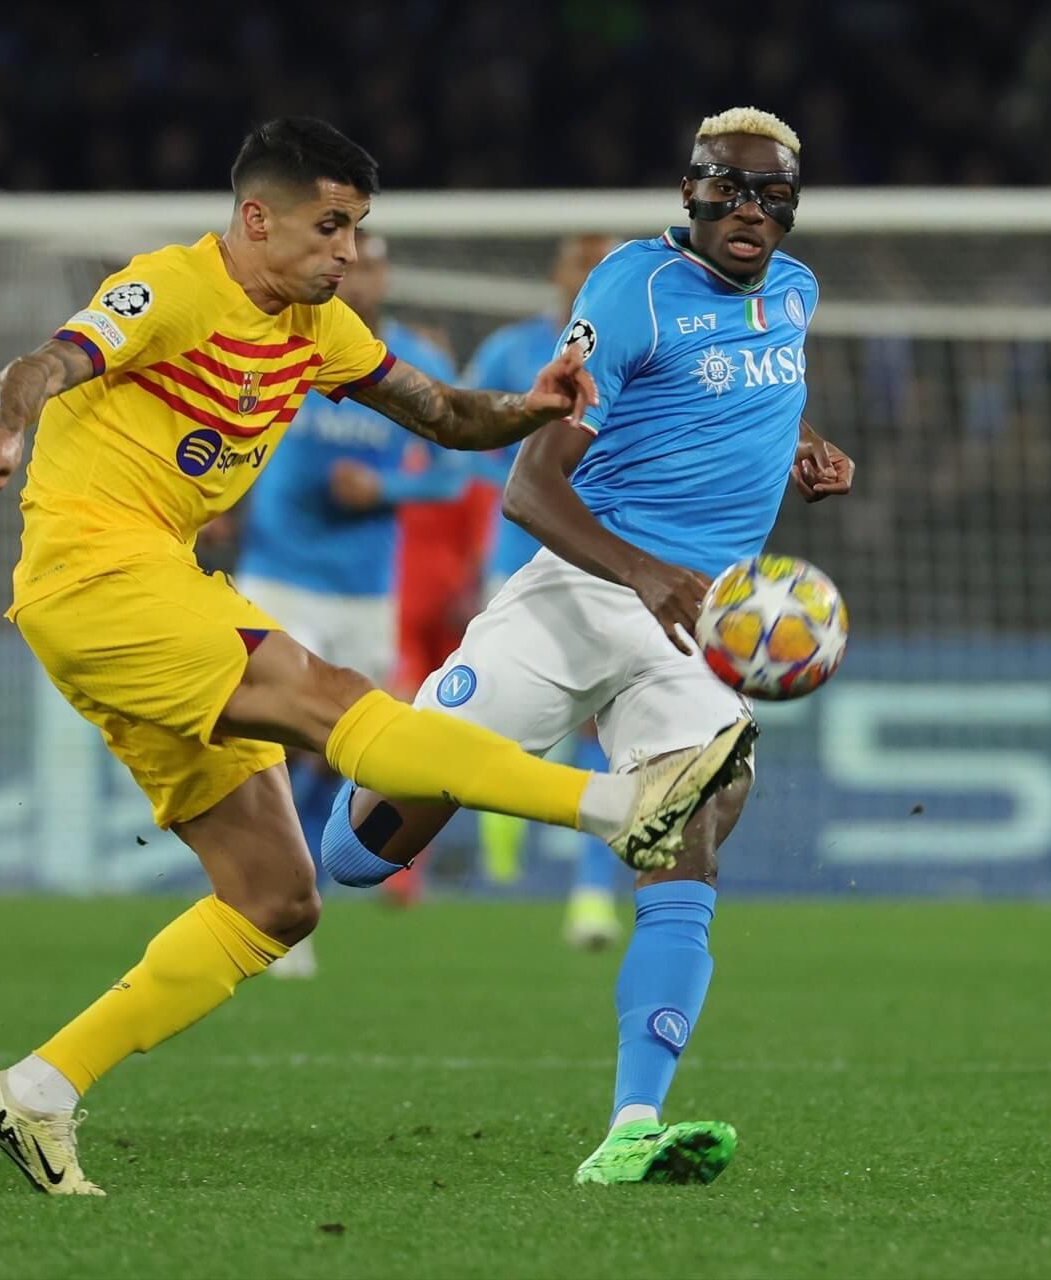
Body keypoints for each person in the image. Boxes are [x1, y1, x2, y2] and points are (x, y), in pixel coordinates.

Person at [0, 116, 758, 1196]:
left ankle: (39, 1088)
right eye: (329, 227)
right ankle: (616, 804)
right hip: (100, 576)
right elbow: (46, 362)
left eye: (356, 228)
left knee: (277, 896)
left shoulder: (316, 327)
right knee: (335, 701)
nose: (347, 253)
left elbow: (443, 412)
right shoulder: (169, 288)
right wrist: (6, 422)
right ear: (256, 218)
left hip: (144, 592)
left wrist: (533, 406)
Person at [318, 107, 857, 1187]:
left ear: (792, 207)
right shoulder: (631, 289)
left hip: (694, 629)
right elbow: (529, 485)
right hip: (579, 590)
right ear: (690, 192)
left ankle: (632, 1125)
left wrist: (796, 441)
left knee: (695, 826)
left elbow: (735, 389)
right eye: (728, 188)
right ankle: (516, 792)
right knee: (357, 848)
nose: (749, 211)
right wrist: (644, 571)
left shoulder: (794, 296)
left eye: (771, 195)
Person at [234, 229, 468, 978]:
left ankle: (290, 885)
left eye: (372, 263)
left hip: (367, 591)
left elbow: (451, 476)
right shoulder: (284, 340)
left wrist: (386, 490)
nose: (358, 272)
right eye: (349, 259)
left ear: (385, 276)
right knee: (288, 733)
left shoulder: (418, 365)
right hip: (279, 572)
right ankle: (273, 902)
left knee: (344, 756)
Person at [460, 234, 628, 948]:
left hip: (602, 560)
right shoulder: (512, 347)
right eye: (578, 261)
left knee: (602, 725)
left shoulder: (634, 346)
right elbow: (466, 438)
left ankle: (591, 899)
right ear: (556, 274)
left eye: (603, 262)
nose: (589, 273)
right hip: (517, 555)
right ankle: (499, 833)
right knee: (504, 725)